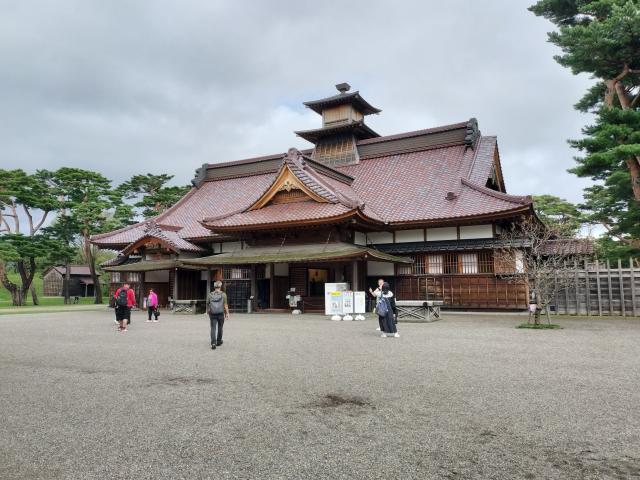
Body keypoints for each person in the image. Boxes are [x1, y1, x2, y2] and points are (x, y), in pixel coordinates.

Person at [206, 281, 229, 350]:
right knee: (220, 327)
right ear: (220, 286)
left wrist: (207, 311)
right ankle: (219, 341)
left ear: (214, 287)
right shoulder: (223, 294)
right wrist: (227, 313)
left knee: (213, 328)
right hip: (220, 313)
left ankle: (213, 343)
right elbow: (225, 305)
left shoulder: (210, 294)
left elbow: (207, 303)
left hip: (212, 313)